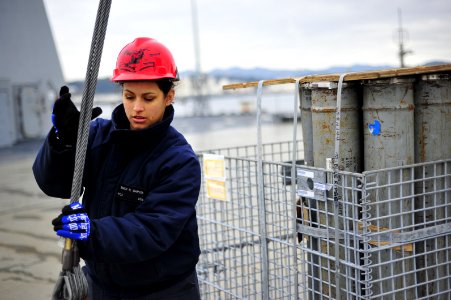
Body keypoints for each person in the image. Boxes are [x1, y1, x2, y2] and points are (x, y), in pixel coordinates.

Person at [33, 37, 202, 299]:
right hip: (102, 286)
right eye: (129, 96)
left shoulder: (179, 160)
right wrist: (63, 141)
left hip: (165, 291)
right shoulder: (99, 135)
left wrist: (93, 232)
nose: (137, 108)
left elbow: (152, 229)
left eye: (148, 98)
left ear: (169, 96)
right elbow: (53, 183)